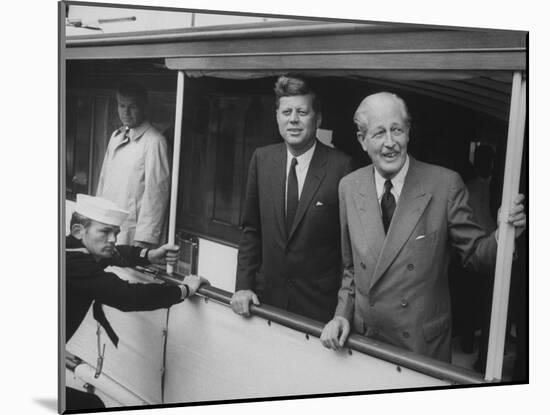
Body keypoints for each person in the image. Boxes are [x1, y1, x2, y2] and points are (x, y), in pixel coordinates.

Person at [320, 92, 526, 362]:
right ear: (362, 140)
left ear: (408, 133)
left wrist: (504, 234)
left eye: (397, 130)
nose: (390, 143)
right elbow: (351, 270)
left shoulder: (445, 184)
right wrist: (340, 315)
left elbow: (478, 255)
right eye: (379, 133)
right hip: (365, 341)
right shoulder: (349, 186)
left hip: (420, 346)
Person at [66, 194, 208, 410]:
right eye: (105, 232)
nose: (113, 239)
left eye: (115, 233)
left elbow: (114, 253)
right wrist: (184, 289)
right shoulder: (75, 265)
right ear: (78, 231)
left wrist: (149, 255)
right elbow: (129, 297)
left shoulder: (71, 249)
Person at [230, 75, 354, 322]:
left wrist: (342, 313)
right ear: (277, 116)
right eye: (286, 112)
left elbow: (347, 251)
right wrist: (243, 286)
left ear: (317, 119)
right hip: (265, 302)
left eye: (302, 112)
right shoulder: (262, 159)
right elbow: (251, 230)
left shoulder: (342, 166)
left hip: (319, 311)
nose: (293, 119)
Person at [96, 82, 170, 248]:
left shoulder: (154, 142)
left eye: (132, 107)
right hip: (107, 226)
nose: (126, 112)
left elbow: (156, 195)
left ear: (144, 108)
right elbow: (103, 182)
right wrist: (97, 220)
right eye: (122, 106)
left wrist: (144, 239)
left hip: (130, 233)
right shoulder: (116, 137)